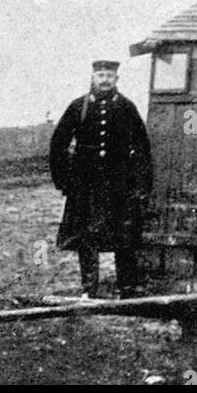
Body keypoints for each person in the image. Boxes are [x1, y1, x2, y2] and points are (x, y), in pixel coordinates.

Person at [49, 59, 153, 299]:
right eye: (100, 75)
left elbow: (142, 148)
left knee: (124, 236)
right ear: (93, 78)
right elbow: (58, 144)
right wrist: (64, 180)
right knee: (87, 236)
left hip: (120, 184)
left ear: (117, 79)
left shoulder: (127, 107)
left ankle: (126, 288)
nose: (105, 79)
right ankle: (89, 288)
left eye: (109, 75)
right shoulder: (79, 107)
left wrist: (141, 184)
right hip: (86, 185)